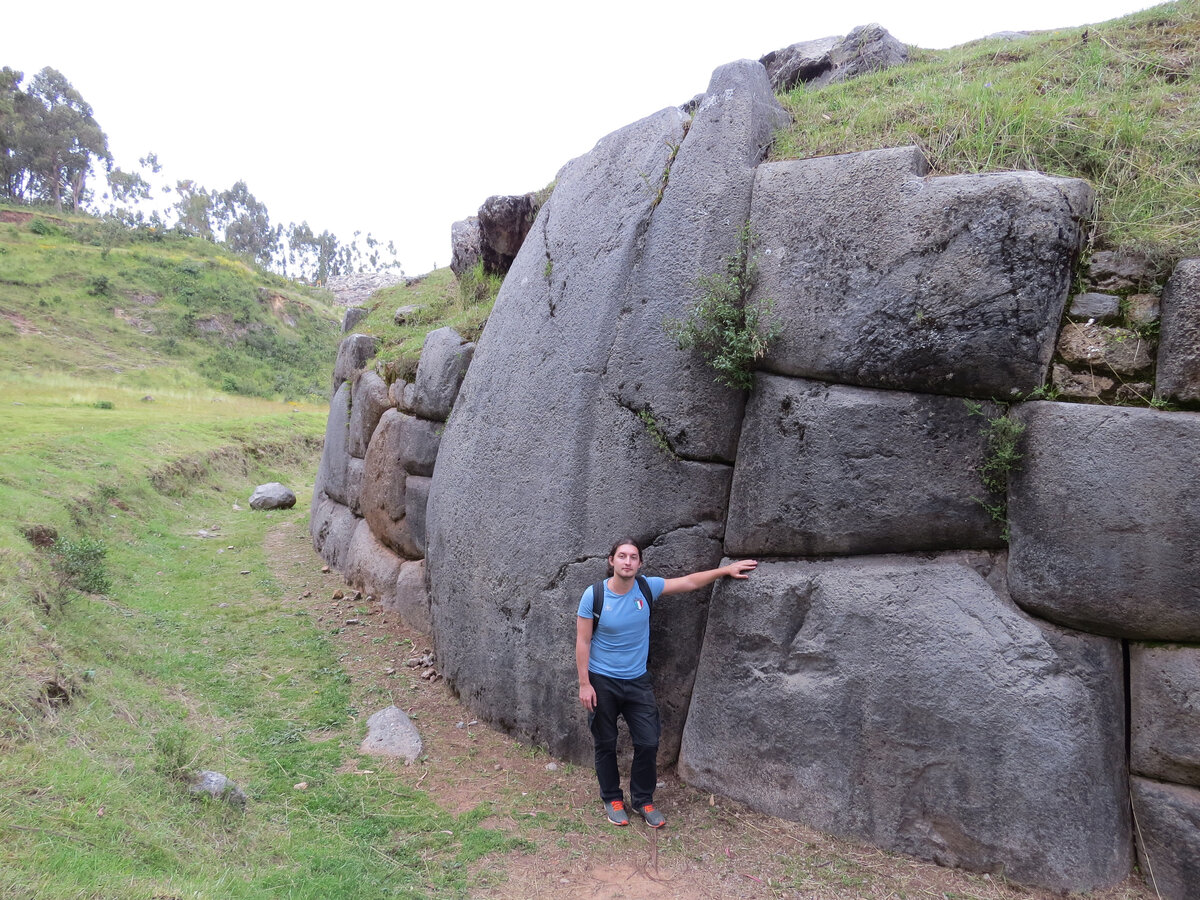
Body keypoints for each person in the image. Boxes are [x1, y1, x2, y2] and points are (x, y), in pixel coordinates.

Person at [575, 537, 757, 828]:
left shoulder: (647, 587)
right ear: (611, 561)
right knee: (606, 742)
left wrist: (725, 570)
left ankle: (643, 799)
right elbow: (583, 641)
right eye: (621, 556)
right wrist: (585, 684)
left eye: (633, 557)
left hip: (637, 681)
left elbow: (688, 582)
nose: (627, 561)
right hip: (602, 680)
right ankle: (612, 798)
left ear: (640, 563)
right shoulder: (594, 595)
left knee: (648, 741)